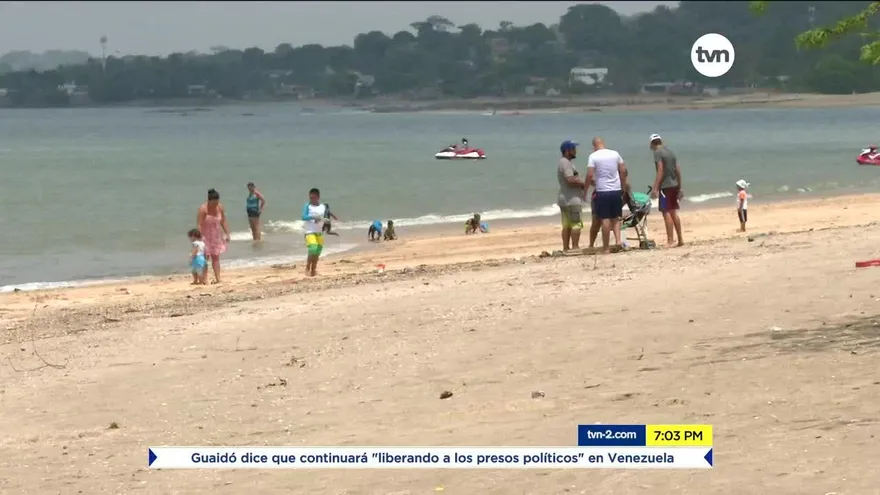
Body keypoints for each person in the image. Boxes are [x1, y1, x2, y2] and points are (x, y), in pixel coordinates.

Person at [585, 137, 628, 254]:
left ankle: (606, 247)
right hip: (616, 189)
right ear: (603, 144)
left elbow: (589, 175)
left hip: (602, 191)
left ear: (594, 146)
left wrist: (585, 190)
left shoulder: (593, 156)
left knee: (605, 218)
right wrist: (623, 187)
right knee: (616, 217)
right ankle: (618, 241)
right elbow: (623, 172)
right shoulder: (615, 154)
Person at [649, 134, 684, 247]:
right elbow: (678, 170)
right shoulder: (670, 152)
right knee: (674, 212)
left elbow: (660, 170)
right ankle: (680, 239)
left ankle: (670, 240)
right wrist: (680, 187)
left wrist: (655, 187)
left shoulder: (657, 153)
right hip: (674, 185)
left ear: (652, 143)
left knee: (666, 212)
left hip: (665, 186)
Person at [557, 140, 587, 251]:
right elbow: (570, 180)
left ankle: (566, 248)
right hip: (572, 199)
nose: (575, 151)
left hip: (565, 199)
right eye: (573, 149)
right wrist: (584, 183)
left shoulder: (565, 163)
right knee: (576, 224)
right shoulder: (565, 163)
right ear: (567, 151)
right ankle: (575, 247)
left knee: (567, 225)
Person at [197, 188, 231, 284]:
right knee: (205, 258)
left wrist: (227, 233)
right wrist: (199, 238)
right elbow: (199, 224)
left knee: (216, 257)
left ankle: (218, 278)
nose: (216, 204)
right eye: (214, 202)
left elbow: (223, 221)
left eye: (217, 202)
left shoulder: (220, 207)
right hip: (205, 236)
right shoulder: (203, 209)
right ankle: (205, 279)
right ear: (209, 200)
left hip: (216, 236)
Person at [301, 188, 327, 277]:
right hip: (309, 231)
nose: (312, 200)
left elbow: (324, 217)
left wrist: (326, 222)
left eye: (314, 198)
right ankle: (307, 267)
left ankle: (314, 269)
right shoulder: (307, 206)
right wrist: (314, 218)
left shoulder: (323, 207)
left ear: (318, 197)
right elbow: (303, 217)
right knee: (313, 248)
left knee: (318, 251)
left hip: (319, 232)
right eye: (310, 198)